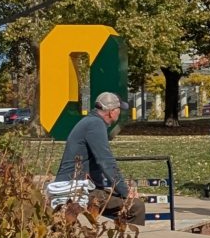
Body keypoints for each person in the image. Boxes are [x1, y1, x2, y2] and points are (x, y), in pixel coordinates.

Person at [54, 92, 145, 225]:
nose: (120, 113)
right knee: (135, 206)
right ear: (111, 112)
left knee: (116, 200)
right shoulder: (95, 125)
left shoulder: (89, 122)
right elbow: (106, 162)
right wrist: (126, 192)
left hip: (76, 186)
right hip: (77, 190)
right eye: (119, 109)